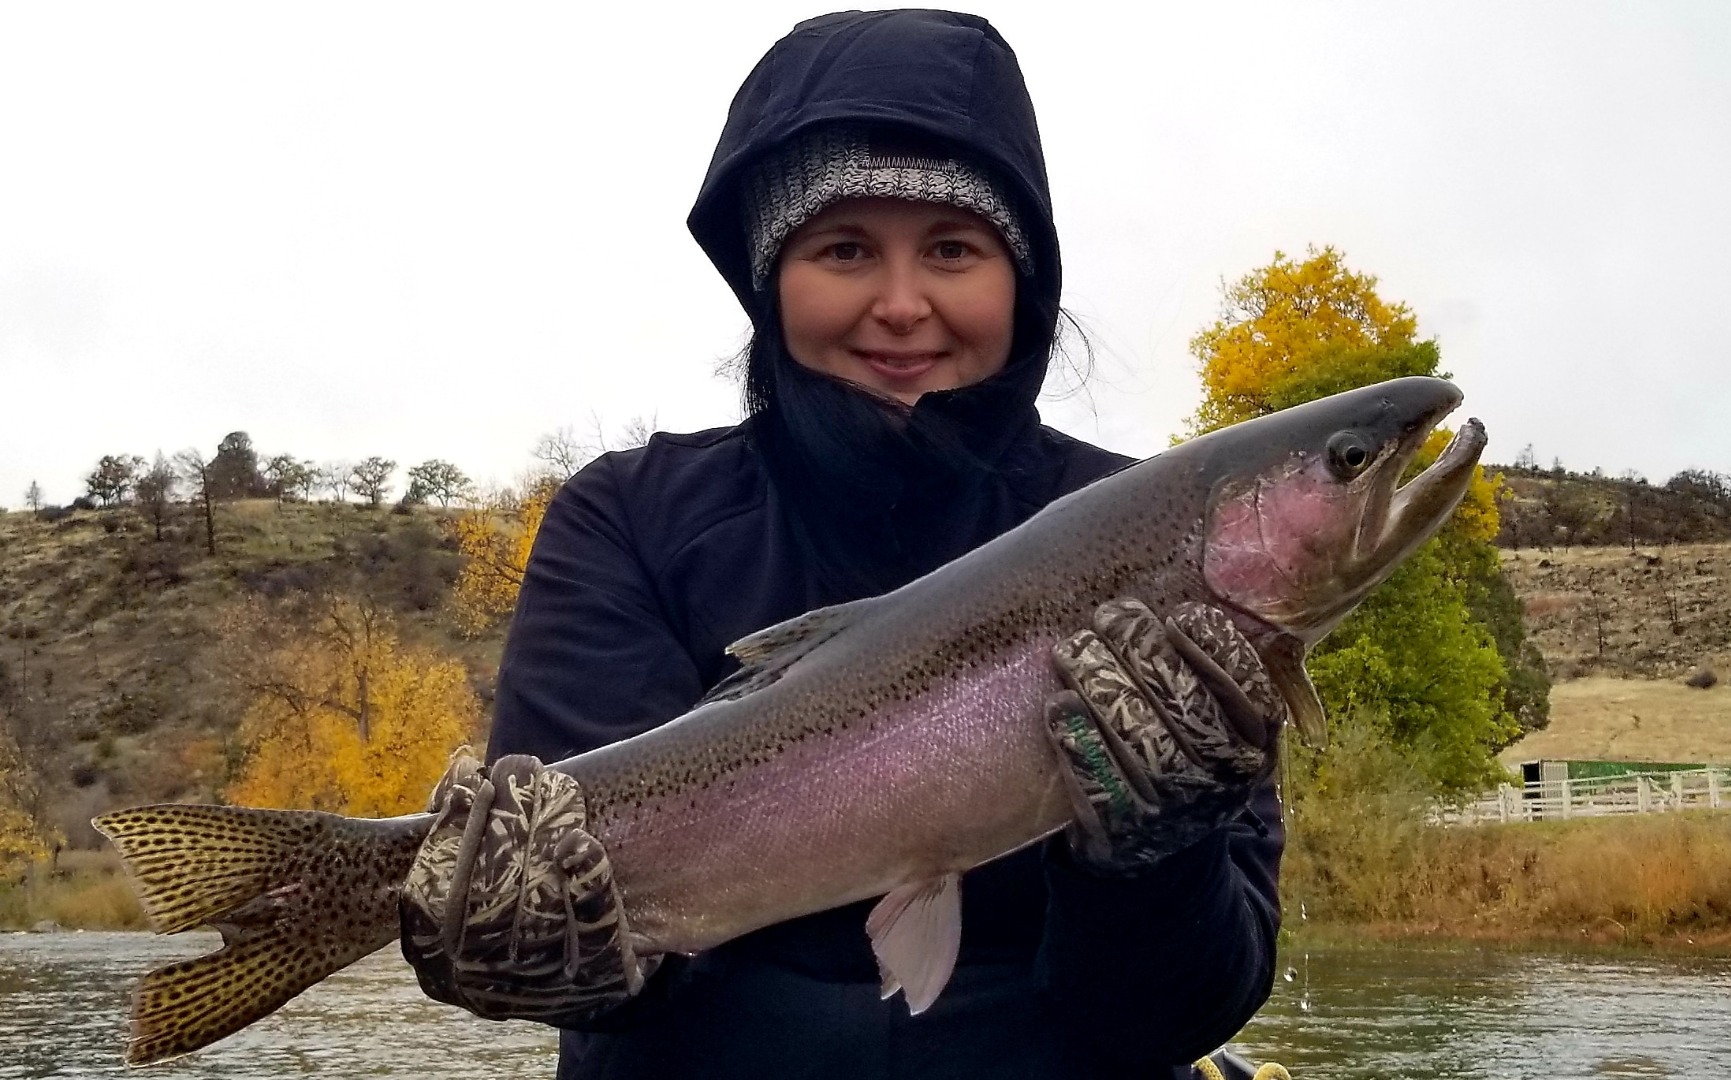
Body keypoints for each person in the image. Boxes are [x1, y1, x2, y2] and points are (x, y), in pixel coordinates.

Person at [400, 11, 1286, 1079]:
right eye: (845, 249)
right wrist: (554, 946)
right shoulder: (628, 517)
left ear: (1023, 280)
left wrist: (1163, 857)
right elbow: (617, 990)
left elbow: (1182, 1012)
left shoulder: (1152, 538)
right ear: (775, 280)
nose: (902, 305)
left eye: (953, 250)